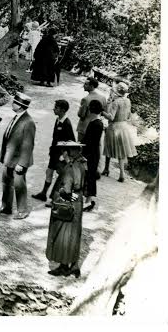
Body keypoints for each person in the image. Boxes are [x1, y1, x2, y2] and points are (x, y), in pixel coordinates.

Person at [45, 141, 87, 277]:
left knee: (63, 234)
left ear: (67, 152)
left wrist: (62, 193)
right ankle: (74, 265)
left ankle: (64, 266)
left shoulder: (69, 167)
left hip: (68, 206)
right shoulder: (82, 164)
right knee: (74, 235)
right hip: (78, 204)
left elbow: (67, 189)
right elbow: (82, 184)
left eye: (64, 151)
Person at [0, 92, 36, 219]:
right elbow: (8, 138)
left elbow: (28, 145)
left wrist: (22, 164)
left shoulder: (28, 122)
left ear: (21, 106)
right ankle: (6, 206)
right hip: (10, 158)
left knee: (19, 185)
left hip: (19, 161)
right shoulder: (16, 117)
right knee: (6, 182)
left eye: (15, 103)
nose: (12, 104)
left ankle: (22, 210)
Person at [32, 99, 76, 202]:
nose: (54, 109)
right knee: (49, 172)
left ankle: (55, 199)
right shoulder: (58, 120)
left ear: (62, 110)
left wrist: (65, 155)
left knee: (61, 177)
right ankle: (43, 193)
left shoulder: (66, 123)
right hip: (54, 152)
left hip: (61, 155)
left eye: (56, 107)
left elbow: (71, 141)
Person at [100, 82, 137, 182]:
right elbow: (129, 116)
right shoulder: (128, 101)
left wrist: (102, 112)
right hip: (124, 127)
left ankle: (106, 169)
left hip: (114, 127)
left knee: (108, 147)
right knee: (121, 151)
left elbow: (111, 117)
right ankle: (121, 173)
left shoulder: (116, 102)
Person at [81, 99, 104, 212]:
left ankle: (89, 200)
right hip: (92, 153)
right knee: (89, 176)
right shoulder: (97, 122)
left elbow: (91, 142)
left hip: (91, 154)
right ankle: (87, 199)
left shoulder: (96, 123)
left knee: (90, 176)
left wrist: (84, 154)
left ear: (91, 109)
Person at [77, 76, 107, 141]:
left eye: (86, 84)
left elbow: (81, 115)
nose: (83, 85)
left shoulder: (85, 99)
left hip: (84, 127)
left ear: (91, 86)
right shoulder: (103, 98)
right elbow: (104, 112)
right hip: (97, 127)